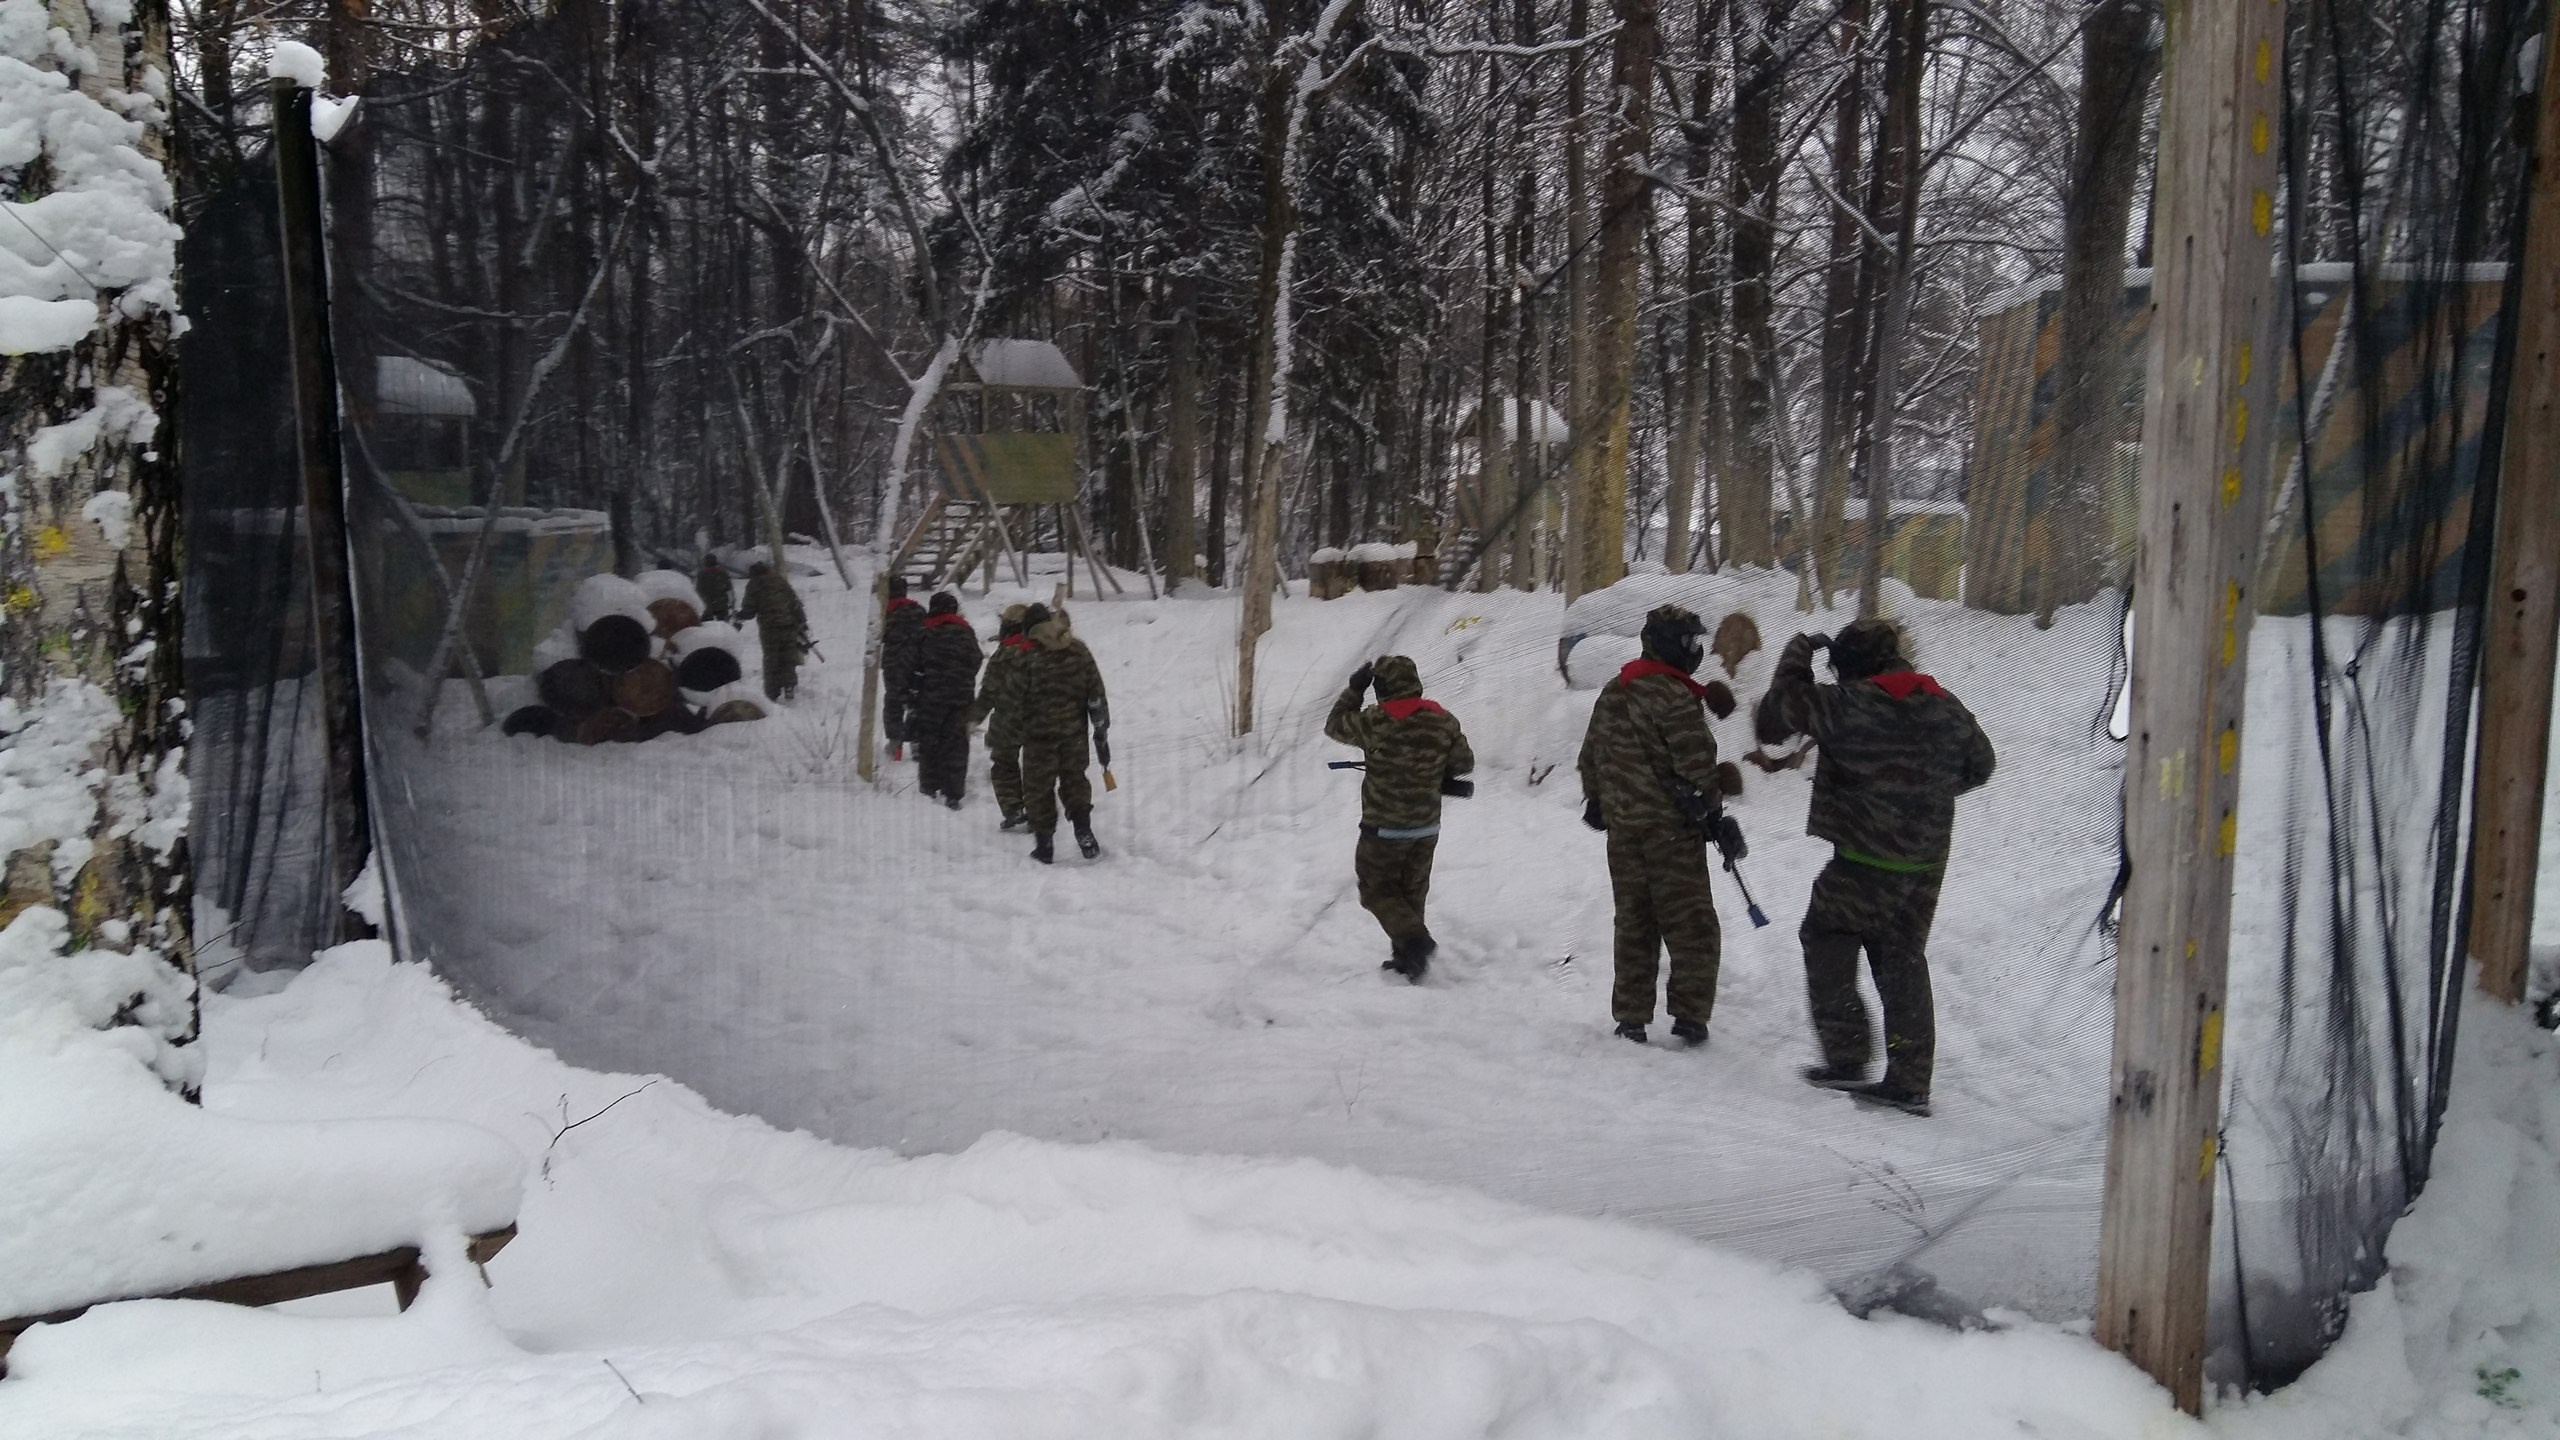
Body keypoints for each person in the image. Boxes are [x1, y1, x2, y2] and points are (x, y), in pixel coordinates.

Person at [1754, 618, 1996, 1117]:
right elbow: (1981, 765)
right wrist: (1922, 793)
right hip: (1925, 861)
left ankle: (1846, 1056)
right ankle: (1910, 1081)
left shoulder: (1850, 704)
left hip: (1866, 857)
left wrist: (1799, 651)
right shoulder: (1945, 706)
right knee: (1902, 956)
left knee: (1826, 935)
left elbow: (1776, 717)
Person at [1578, 604, 1740, 1047]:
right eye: (1690, 642)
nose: (1696, 650)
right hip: (1671, 834)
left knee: (1635, 923)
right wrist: (1714, 814)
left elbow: (1590, 756)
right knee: (1692, 926)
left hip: (1624, 833)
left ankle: (1630, 1017)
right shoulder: (1674, 695)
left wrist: (1599, 799)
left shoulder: (1616, 689)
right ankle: (1690, 1016)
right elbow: (1696, 765)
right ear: (1671, 645)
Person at [1325, 654, 1473, 982]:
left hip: (1384, 828)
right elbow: (1464, 764)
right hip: (1426, 826)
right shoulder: (1443, 718)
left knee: (1375, 890)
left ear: (1381, 688)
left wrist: (1353, 690)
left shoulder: (1375, 720)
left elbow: (1334, 726)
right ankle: (1409, 961)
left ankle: (1415, 942)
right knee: (1411, 892)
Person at [1013, 603, 1107, 864]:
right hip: (1073, 734)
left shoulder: (1025, 656)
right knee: (1074, 780)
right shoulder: (1077, 649)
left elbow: (1012, 698)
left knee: (1038, 789)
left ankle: (1044, 847)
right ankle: (1083, 830)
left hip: (1038, 737)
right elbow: (1096, 692)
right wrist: (1101, 727)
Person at [910, 592, 983, 808]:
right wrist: (963, 677)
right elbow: (976, 659)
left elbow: (913, 663)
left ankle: (929, 788)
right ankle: (953, 793)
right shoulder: (966, 631)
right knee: (957, 743)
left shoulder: (924, 632)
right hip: (961, 696)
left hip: (930, 696)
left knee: (930, 741)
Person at [972, 604, 1035, 830]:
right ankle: (1038, 810)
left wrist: (973, 718)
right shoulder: (1040, 650)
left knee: (1003, 764)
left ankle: (1013, 808)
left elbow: (989, 692)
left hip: (1007, 720)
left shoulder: (1002, 655)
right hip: (1038, 718)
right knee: (1036, 766)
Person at [735, 560, 807, 702]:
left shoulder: (754, 584)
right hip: (789, 625)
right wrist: (802, 621)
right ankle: (789, 685)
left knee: (771, 658)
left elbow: (749, 611)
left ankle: (772, 693)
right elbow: (794, 602)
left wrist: (738, 616)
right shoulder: (780, 581)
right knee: (788, 656)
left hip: (770, 629)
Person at [879, 576, 926, 761]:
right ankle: (917, 743)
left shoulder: (885, 613)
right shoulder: (919, 610)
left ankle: (895, 743)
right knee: (916, 701)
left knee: (893, 701)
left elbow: (879, 636)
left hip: (894, 664)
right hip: (917, 662)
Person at [695, 551, 733, 623]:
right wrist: (731, 603)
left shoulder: (702, 574)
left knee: (706, 627)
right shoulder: (722, 573)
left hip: (706, 605)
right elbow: (729, 589)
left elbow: (698, 591)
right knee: (724, 626)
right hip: (721, 605)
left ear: (705, 564)